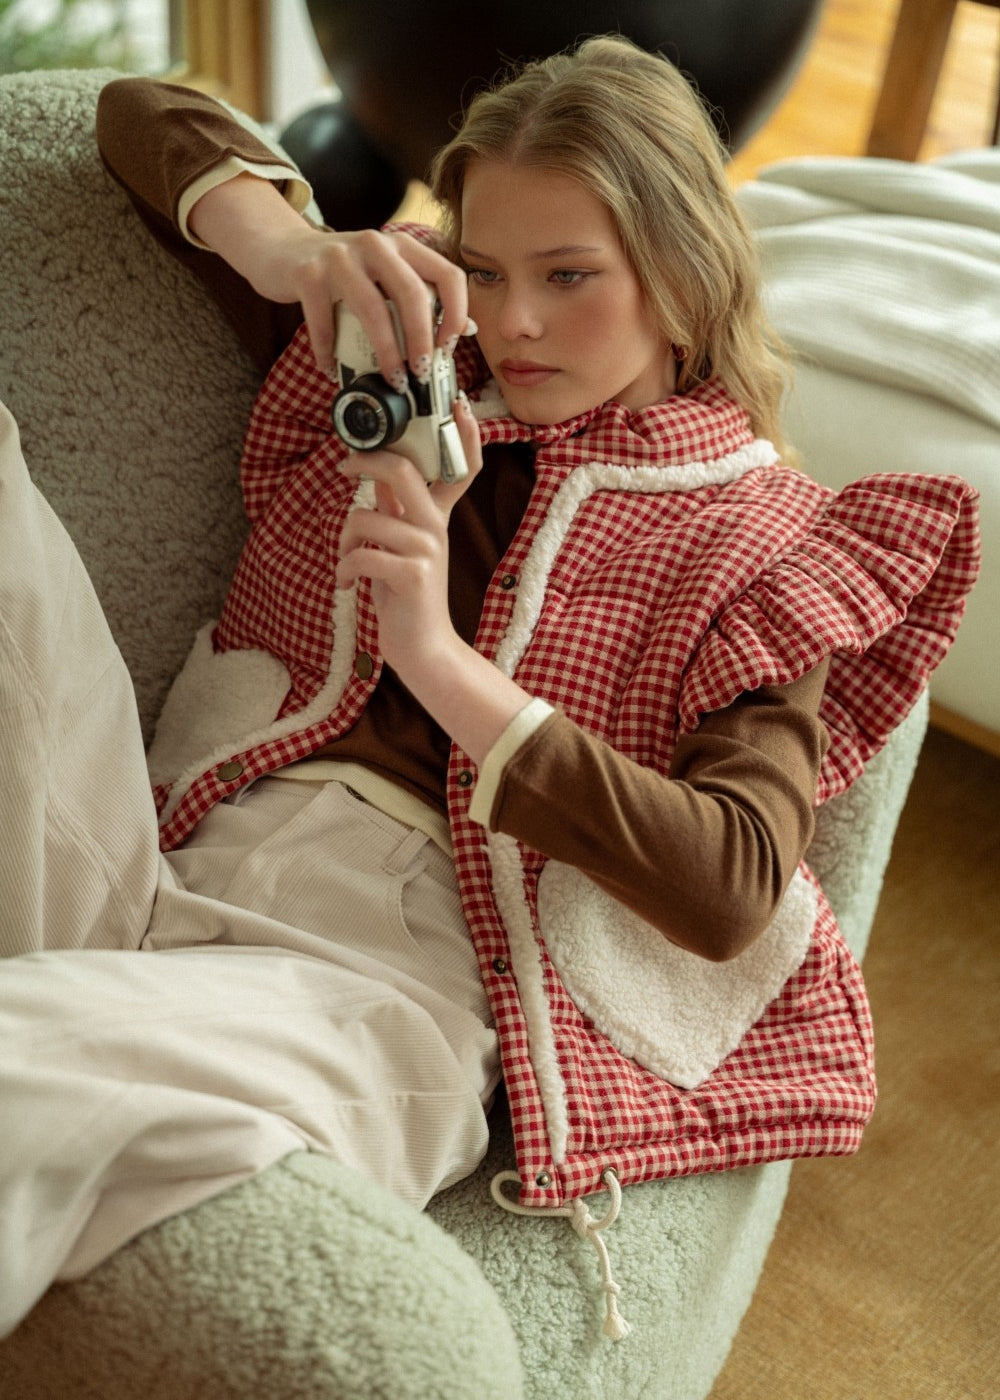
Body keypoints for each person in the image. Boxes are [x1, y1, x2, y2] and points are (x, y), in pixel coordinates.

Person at [0, 36, 979, 1336]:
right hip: (151, 845)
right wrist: (294, 257)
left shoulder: (766, 541)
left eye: (570, 277)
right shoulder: (397, 366)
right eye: (487, 268)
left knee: (24, 1070)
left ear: (683, 280)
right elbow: (141, 108)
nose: (512, 323)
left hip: (389, 989)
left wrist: (445, 669)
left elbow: (734, 880)